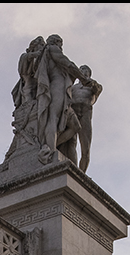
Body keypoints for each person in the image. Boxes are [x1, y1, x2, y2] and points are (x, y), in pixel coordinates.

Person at [35, 34, 92, 164]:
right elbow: (67, 64)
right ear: (56, 42)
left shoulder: (46, 53)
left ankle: (51, 145)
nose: (61, 47)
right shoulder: (52, 49)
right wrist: (82, 78)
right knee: (53, 118)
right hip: (57, 88)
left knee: (76, 126)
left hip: (62, 90)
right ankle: (49, 151)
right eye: (61, 44)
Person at [68, 65, 103, 173]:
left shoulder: (95, 85)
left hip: (85, 112)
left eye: (85, 69)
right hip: (73, 111)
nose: (82, 70)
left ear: (89, 72)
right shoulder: (72, 87)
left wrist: (87, 80)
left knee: (85, 147)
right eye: (81, 69)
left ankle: (81, 173)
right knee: (70, 142)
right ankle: (70, 169)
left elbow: (96, 89)